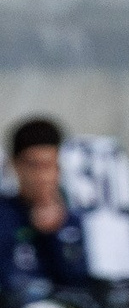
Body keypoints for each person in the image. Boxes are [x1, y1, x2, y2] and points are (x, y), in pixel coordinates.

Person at [1, 118, 86, 292]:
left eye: (48, 166)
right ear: (14, 165)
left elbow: (78, 282)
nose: (41, 177)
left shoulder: (71, 222)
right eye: (33, 166)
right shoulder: (4, 213)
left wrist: (54, 234)